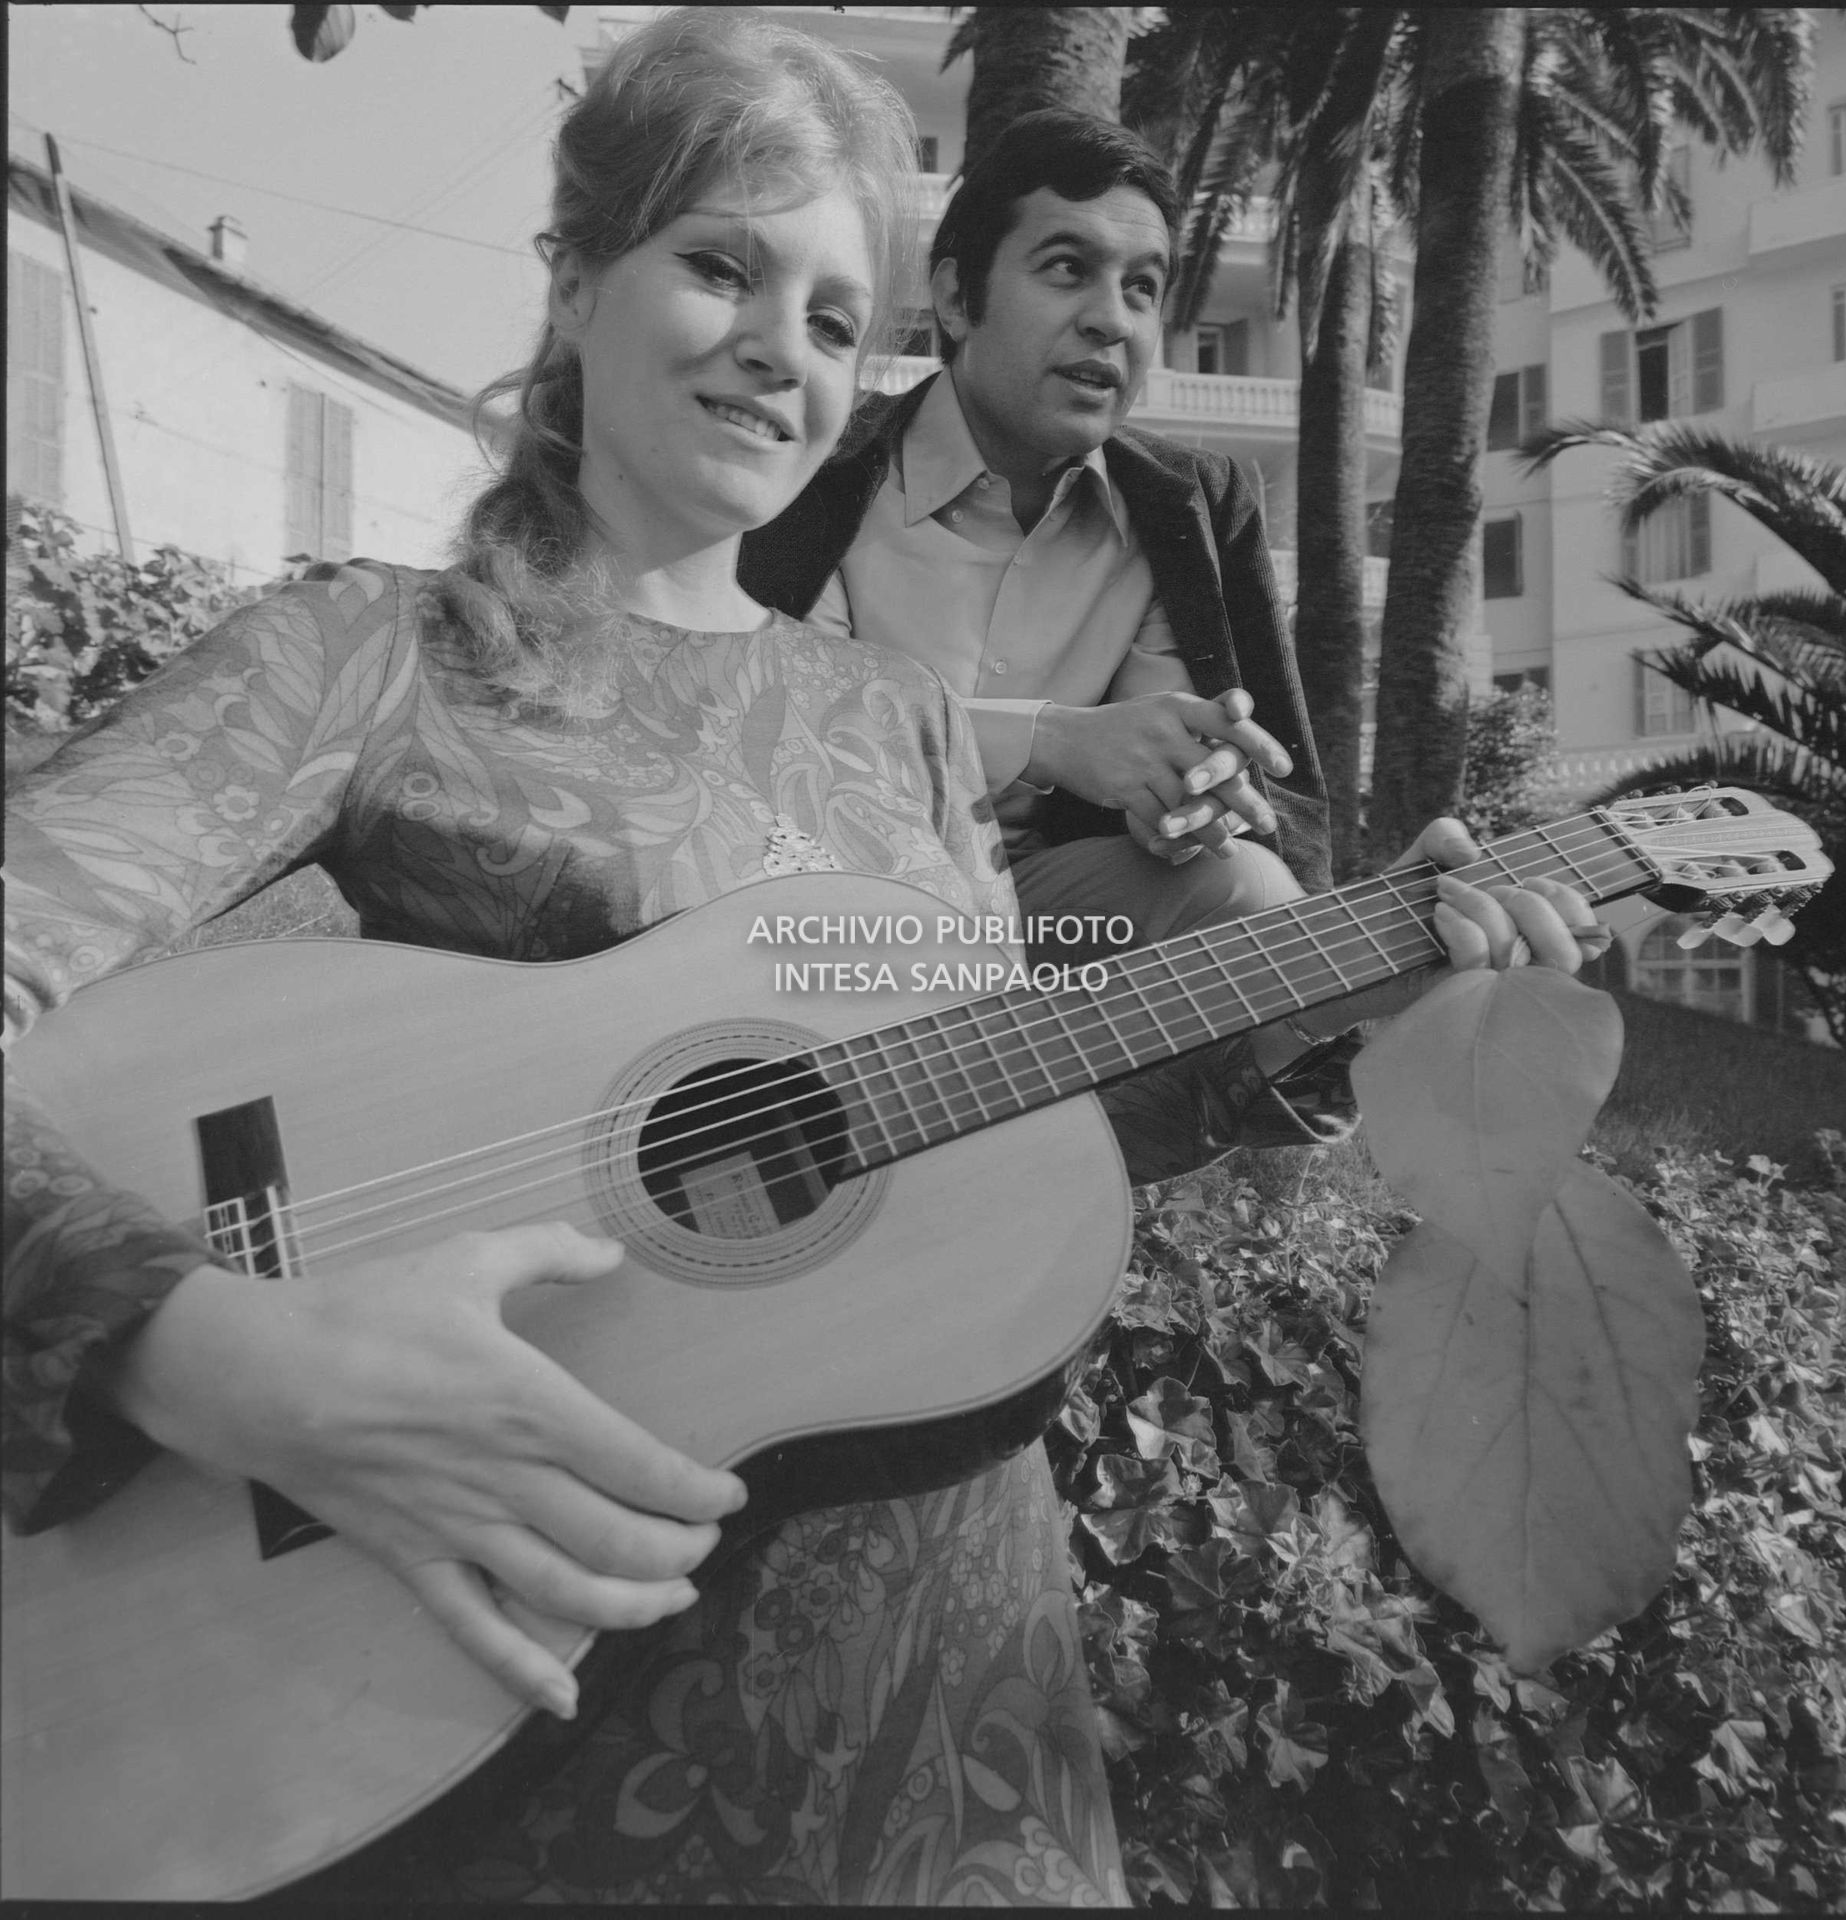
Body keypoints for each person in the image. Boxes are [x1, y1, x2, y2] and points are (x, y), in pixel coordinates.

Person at [2, 12, 1605, 1907]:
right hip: (506, 1687)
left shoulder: (900, 726)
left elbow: (1002, 1122)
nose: (782, 349)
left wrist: (1347, 968)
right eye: (718, 266)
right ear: (576, 278)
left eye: (838, 320)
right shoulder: (366, 658)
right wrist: (196, 1350)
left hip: (943, 1725)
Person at [740, 111, 1526, 1168]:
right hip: (814, 924)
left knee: (1239, 887)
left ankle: (1165, 1142)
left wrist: (1184, 799)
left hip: (1053, 933)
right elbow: (769, 733)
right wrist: (1054, 740)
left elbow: (1205, 770)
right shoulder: (820, 471)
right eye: (1067, 269)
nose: (1111, 321)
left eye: (1144, 288)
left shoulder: (1186, 505)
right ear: (957, 293)